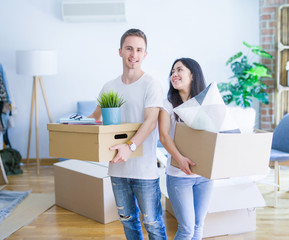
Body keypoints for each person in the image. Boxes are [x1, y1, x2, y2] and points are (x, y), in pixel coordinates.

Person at [89, 29, 166, 240]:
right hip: (117, 168)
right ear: (120, 51)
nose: (134, 54)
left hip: (144, 169)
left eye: (139, 50)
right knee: (127, 220)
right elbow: (95, 118)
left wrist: (130, 147)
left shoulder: (151, 84)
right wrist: (73, 125)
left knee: (153, 223)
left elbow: (151, 122)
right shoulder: (109, 87)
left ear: (145, 54)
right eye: (129, 48)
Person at [158, 58, 214, 240]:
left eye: (180, 70)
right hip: (179, 176)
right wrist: (181, 160)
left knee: (199, 226)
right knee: (187, 228)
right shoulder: (167, 104)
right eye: (172, 71)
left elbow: (214, 135)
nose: (174, 74)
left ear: (192, 75)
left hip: (204, 176)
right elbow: (164, 136)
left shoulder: (206, 103)